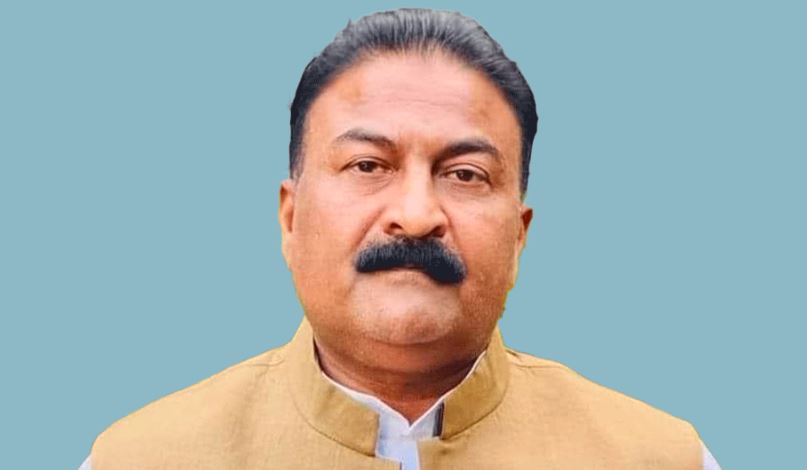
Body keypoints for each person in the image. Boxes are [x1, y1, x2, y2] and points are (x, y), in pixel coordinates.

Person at [81, 8, 720, 469]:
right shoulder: (142, 458)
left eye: (465, 174)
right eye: (368, 165)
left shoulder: (658, 458)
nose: (416, 216)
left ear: (520, 237)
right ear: (290, 218)